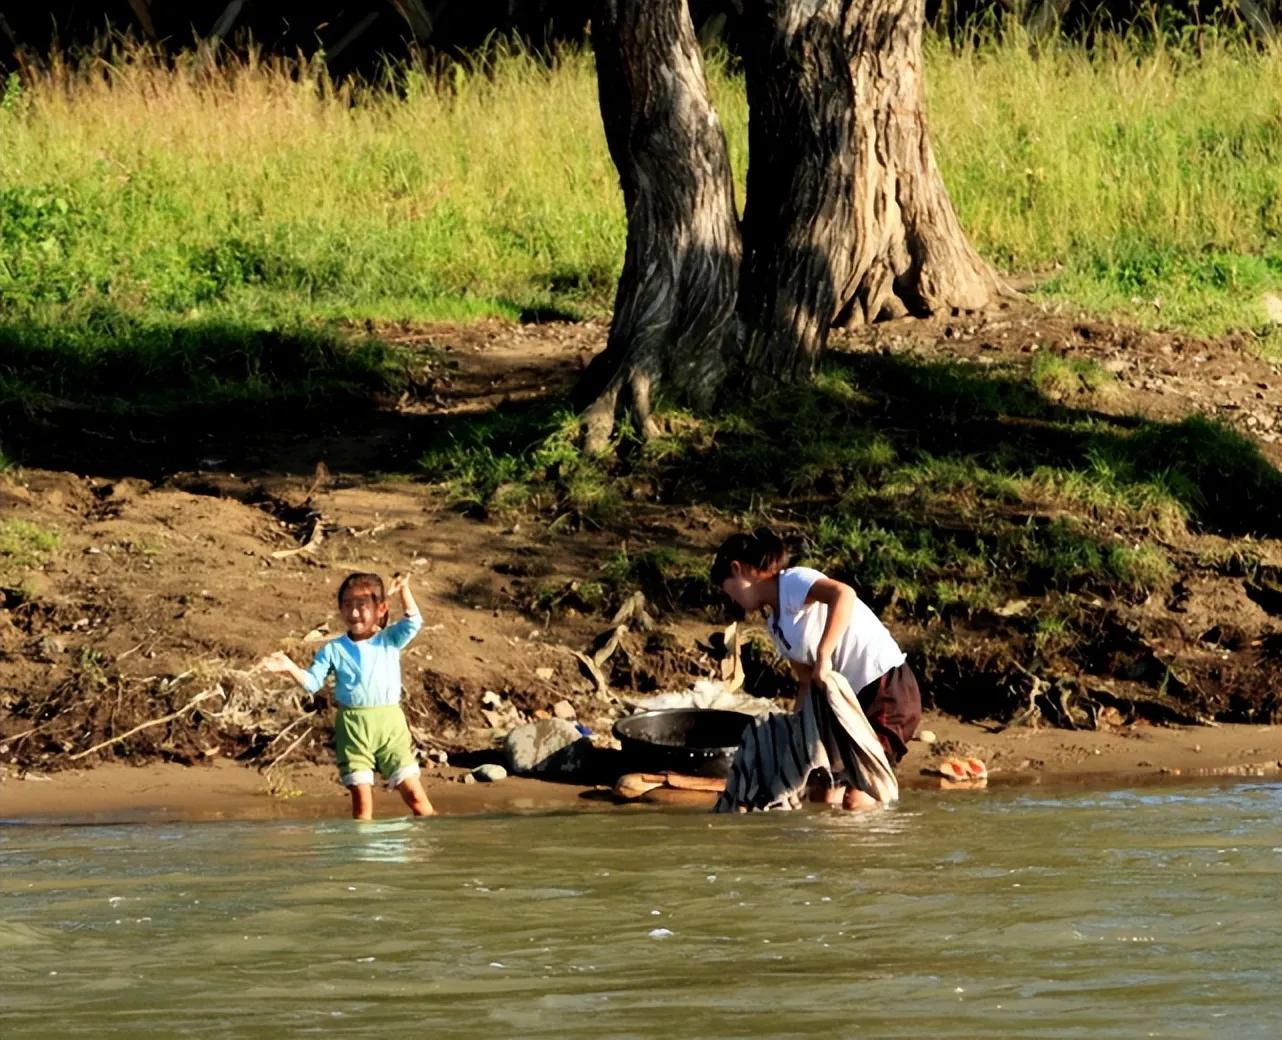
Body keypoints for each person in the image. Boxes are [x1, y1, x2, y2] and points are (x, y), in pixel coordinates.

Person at [710, 528, 921, 811]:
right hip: (842, 708)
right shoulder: (775, 625)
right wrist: (797, 732)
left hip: (884, 687)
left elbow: (843, 594)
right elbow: (806, 682)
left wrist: (824, 655)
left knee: (858, 798)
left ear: (738, 570)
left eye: (729, 590)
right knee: (822, 794)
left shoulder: (793, 581)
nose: (732, 601)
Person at [263, 572, 436, 821]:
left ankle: (430, 851)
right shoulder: (333, 649)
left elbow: (414, 621)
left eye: (362, 606)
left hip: (391, 726)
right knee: (363, 808)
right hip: (353, 727)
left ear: (380, 609)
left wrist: (404, 590)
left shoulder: (389, 638)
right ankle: (361, 858)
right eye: (347, 605)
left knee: (417, 800)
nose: (354, 613)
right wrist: (289, 667)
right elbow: (312, 683)